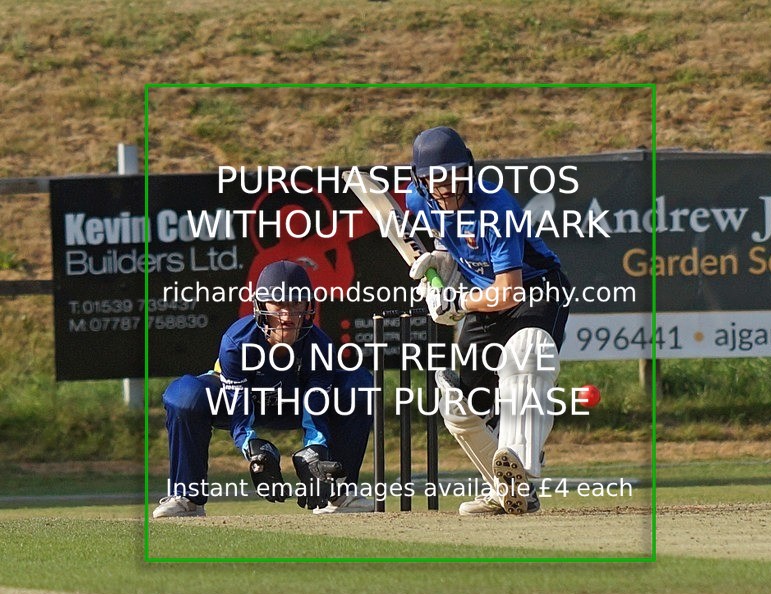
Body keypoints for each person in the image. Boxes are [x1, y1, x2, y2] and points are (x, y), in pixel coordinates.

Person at [406, 126, 571, 516]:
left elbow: (510, 291)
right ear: (421, 179)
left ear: (468, 168)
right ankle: (507, 491)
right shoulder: (417, 200)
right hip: (483, 296)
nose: (446, 186)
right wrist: (443, 261)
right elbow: (449, 239)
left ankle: (522, 466)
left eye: (454, 175)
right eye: (436, 178)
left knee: (528, 354)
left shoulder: (496, 209)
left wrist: (458, 302)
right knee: (461, 404)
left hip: (534, 289)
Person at [153, 260, 373, 518]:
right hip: (241, 402)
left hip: (295, 403)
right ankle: (187, 498)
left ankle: (336, 492)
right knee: (185, 396)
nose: (287, 316)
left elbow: (317, 404)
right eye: (278, 304)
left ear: (308, 306)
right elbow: (238, 406)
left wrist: (315, 451)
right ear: (261, 306)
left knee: (359, 383)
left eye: (296, 304)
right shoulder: (237, 341)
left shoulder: (320, 345)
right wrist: (253, 448)